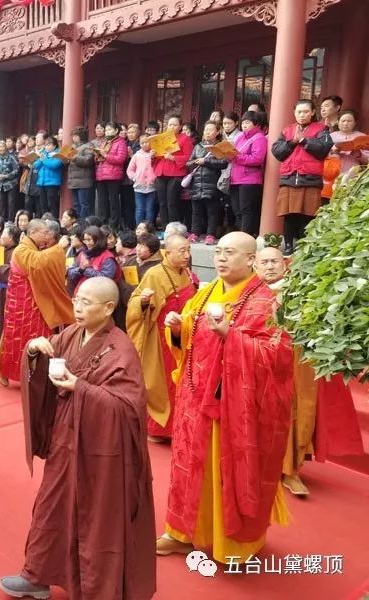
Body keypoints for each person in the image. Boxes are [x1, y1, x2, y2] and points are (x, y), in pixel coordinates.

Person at [0, 277, 156, 600]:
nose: (78, 307)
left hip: (100, 453)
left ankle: (98, 588)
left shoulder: (121, 347)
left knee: (96, 518)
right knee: (50, 506)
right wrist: (33, 351)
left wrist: (79, 388)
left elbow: (127, 407)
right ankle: (37, 574)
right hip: (65, 440)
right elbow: (48, 359)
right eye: (76, 300)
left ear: (109, 308)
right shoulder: (71, 333)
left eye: (86, 302)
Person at [157, 232, 293, 563]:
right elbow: (189, 339)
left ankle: (233, 545)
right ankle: (182, 533)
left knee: (226, 473)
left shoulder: (267, 303)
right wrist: (177, 329)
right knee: (189, 469)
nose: (220, 258)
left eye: (229, 253)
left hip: (234, 409)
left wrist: (231, 337)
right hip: (195, 401)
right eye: (217, 252)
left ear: (250, 260)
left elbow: (278, 356)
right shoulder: (204, 295)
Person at [254, 247, 363, 497]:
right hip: (259, 363)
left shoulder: (301, 292)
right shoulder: (248, 293)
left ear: (285, 264)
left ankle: (291, 470)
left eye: (275, 262)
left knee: (298, 413)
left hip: (296, 363)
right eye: (265, 262)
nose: (270, 267)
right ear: (255, 266)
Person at [126, 234, 197, 442]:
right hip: (159, 336)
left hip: (183, 336)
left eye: (188, 250)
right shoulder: (155, 274)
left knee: (180, 381)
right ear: (167, 253)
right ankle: (158, 429)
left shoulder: (187, 273)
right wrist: (144, 302)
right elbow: (135, 303)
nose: (187, 255)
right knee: (160, 382)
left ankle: (177, 426)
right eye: (182, 251)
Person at [0, 220, 73, 387]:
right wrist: (58, 248)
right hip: (22, 304)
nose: (47, 236)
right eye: (44, 233)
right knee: (17, 339)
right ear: (33, 232)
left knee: (38, 334)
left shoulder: (33, 249)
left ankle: (36, 374)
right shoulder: (22, 249)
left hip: (33, 302)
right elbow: (39, 263)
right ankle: (6, 371)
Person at [271, 99, 333, 255]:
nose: (302, 115)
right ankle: (289, 246)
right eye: (299, 111)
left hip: (310, 179)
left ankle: (304, 247)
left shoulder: (321, 130)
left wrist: (304, 140)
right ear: (294, 113)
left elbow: (323, 149)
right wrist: (292, 142)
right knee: (289, 214)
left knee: (308, 214)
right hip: (289, 178)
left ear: (312, 112)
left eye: (306, 111)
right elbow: (277, 151)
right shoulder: (287, 131)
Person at [186, 121, 228, 245]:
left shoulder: (220, 146)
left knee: (212, 211)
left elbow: (223, 163)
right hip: (196, 183)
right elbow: (188, 163)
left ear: (217, 132)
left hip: (212, 184)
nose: (207, 132)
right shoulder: (198, 146)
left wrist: (206, 161)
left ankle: (210, 235)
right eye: (206, 130)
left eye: (210, 130)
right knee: (196, 211)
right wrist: (194, 163)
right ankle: (195, 233)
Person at [230, 110, 268, 237]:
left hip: (250, 179)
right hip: (235, 178)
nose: (244, 125)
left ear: (256, 124)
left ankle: (246, 236)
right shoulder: (240, 137)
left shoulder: (259, 138)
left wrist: (237, 157)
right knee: (237, 210)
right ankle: (242, 235)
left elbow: (257, 159)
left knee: (247, 210)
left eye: (247, 122)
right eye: (243, 123)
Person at [154, 116, 193, 228]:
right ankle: (165, 227)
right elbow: (158, 156)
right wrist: (153, 155)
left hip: (176, 173)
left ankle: (174, 228)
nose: (171, 127)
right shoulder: (162, 138)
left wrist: (174, 158)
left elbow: (188, 157)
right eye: (170, 124)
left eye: (175, 125)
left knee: (172, 203)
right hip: (161, 172)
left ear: (180, 126)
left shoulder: (184, 138)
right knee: (162, 203)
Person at [93, 122, 128, 228]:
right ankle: (103, 224)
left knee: (113, 202)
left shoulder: (121, 142)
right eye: (106, 130)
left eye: (110, 130)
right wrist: (97, 156)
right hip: (101, 175)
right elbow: (97, 159)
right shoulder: (104, 142)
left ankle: (113, 225)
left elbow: (120, 159)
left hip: (114, 176)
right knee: (102, 202)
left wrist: (105, 155)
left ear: (116, 131)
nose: (107, 132)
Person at [127, 133, 158, 227]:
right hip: (139, 186)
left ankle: (149, 229)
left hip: (152, 186)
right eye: (142, 143)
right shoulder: (137, 155)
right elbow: (130, 170)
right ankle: (139, 228)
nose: (145, 144)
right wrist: (134, 177)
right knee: (139, 209)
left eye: (147, 142)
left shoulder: (156, 153)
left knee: (150, 209)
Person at [67, 126, 95, 219]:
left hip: (84, 181)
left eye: (76, 136)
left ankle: (83, 222)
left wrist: (75, 158)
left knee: (84, 204)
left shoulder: (88, 146)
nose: (73, 138)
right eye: (73, 136)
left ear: (82, 136)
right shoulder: (72, 147)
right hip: (74, 180)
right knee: (76, 204)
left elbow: (88, 160)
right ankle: (77, 222)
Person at [330, 109, 369, 177]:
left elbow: (367, 160)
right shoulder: (330, 136)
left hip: (354, 175)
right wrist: (333, 152)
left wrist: (359, 154)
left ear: (354, 123)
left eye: (349, 121)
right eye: (343, 121)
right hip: (332, 173)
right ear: (338, 122)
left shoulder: (362, 137)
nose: (345, 123)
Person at [33, 136, 64, 217]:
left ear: (54, 146)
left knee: (52, 204)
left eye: (49, 145)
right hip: (41, 183)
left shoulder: (58, 154)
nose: (47, 147)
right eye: (46, 145)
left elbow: (54, 165)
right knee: (43, 205)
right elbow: (35, 165)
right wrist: (42, 158)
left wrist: (43, 159)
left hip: (52, 183)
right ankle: (44, 222)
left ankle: (54, 220)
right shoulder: (44, 154)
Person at [0, 139, 21, 221]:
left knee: (11, 204)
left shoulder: (11, 157)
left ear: (5, 148)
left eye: (2, 147)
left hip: (11, 184)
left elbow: (17, 170)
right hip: (1, 185)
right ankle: (2, 220)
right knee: (2, 204)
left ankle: (10, 221)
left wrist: (7, 176)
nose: (1, 149)